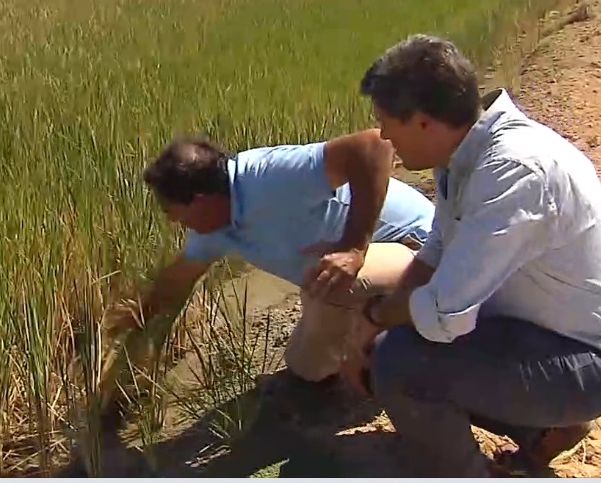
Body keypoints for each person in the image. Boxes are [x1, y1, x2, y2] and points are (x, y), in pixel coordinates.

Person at [346, 34, 601, 477]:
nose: (384, 136)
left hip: (591, 361)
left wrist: (374, 325)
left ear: (424, 122)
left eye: (388, 122)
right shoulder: (462, 157)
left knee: (400, 363)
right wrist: (373, 322)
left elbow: (446, 313)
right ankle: (542, 431)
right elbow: (434, 255)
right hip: (541, 337)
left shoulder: (512, 171)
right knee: (401, 345)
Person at [115, 129, 435, 408]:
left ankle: (393, 352)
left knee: (325, 283)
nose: (172, 220)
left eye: (172, 210)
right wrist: (137, 319)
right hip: (370, 277)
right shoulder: (213, 227)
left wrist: (354, 247)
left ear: (199, 200)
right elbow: (176, 281)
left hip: (422, 251)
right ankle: (367, 350)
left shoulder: (267, 177)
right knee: (305, 370)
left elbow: (374, 145)